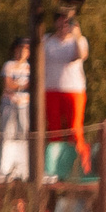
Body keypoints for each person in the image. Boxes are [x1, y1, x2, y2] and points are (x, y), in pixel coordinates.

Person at [41, 10, 87, 172]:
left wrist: (77, 35)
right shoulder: (46, 40)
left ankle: (80, 168)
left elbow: (81, 55)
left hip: (74, 90)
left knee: (75, 130)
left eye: (67, 22)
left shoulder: (78, 41)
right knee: (54, 130)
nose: (63, 25)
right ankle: (55, 168)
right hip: (51, 90)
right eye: (60, 21)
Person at [0, 38, 28, 143]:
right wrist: (24, 86)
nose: (22, 52)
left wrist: (17, 85)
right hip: (9, 104)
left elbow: (35, 86)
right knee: (7, 134)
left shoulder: (30, 67)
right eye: (20, 49)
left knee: (23, 135)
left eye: (26, 49)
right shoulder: (9, 65)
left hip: (25, 105)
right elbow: (8, 85)